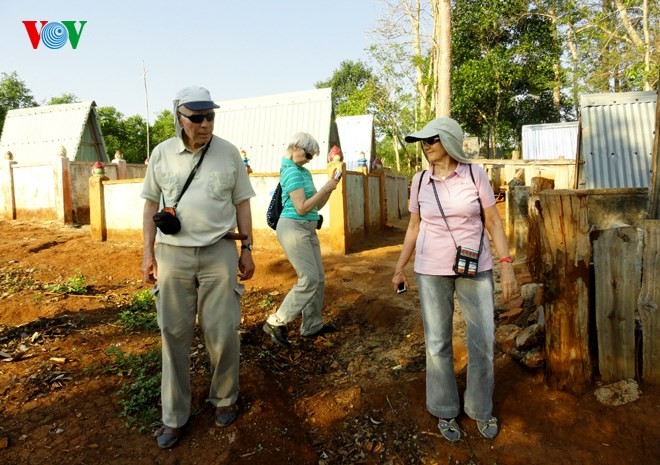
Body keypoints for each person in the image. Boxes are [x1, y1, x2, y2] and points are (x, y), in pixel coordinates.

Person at [141, 85, 256, 449]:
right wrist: (147, 254)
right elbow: (148, 206)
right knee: (173, 335)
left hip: (219, 252)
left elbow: (242, 203)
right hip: (172, 255)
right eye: (197, 118)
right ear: (180, 117)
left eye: (210, 117)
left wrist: (248, 248)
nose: (205, 124)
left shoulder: (228, 154)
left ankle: (224, 398)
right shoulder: (161, 154)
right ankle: (174, 417)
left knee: (221, 331)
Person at [391, 117, 517, 442]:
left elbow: (493, 221)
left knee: (482, 340)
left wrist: (506, 264)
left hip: (476, 267)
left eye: (431, 139)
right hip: (431, 270)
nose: (426, 145)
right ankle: (445, 408)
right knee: (437, 343)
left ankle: (479, 407)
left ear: (448, 141)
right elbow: (413, 228)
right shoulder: (419, 181)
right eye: (423, 141)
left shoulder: (475, 174)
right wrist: (399, 266)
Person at [262, 133, 340, 348]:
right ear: (295, 146)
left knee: (319, 278)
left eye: (312, 157)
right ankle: (276, 321)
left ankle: (312, 326)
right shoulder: (290, 172)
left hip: (308, 226)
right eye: (307, 154)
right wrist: (324, 189)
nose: (308, 159)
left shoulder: (303, 172)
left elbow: (314, 206)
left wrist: (329, 188)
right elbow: (301, 207)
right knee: (309, 278)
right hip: (293, 228)